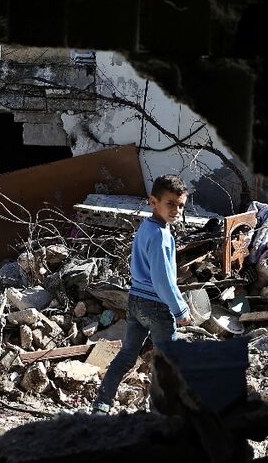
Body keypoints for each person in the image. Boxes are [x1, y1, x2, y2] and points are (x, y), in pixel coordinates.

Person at [92, 174, 193, 414]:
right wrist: (180, 309)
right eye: (170, 203)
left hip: (136, 301)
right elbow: (162, 280)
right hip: (157, 306)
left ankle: (102, 405)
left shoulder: (146, 227)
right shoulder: (161, 236)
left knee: (127, 355)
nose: (176, 210)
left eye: (180, 205)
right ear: (153, 201)